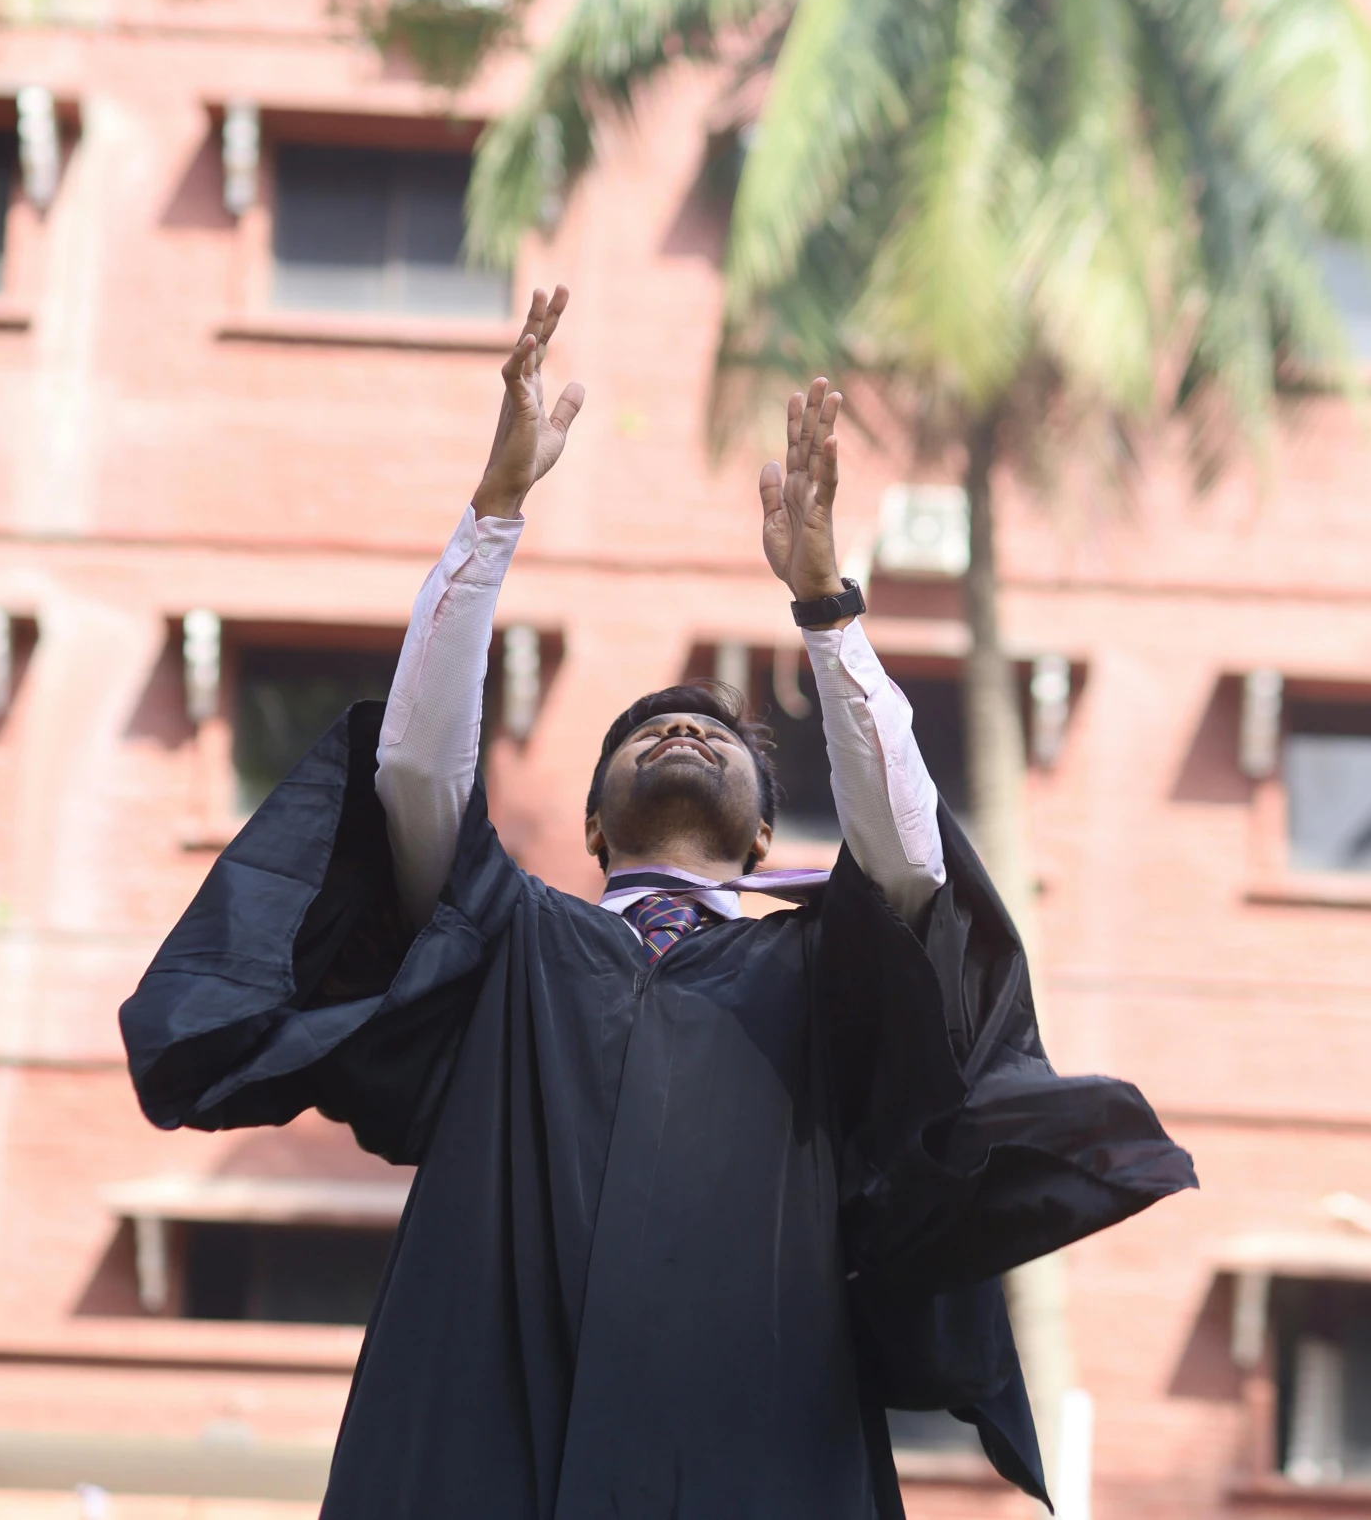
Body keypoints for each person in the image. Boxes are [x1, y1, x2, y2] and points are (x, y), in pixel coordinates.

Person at [121, 285, 1194, 1520]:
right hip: (492, 1436)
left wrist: (826, 608)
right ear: (589, 824)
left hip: (754, 1441)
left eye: (719, 733)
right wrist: (495, 509)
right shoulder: (504, 941)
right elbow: (418, 765)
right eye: (642, 728)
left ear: (757, 829)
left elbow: (905, 849)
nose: (679, 722)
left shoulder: (821, 973)